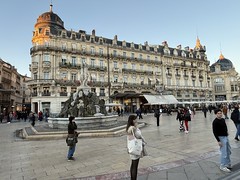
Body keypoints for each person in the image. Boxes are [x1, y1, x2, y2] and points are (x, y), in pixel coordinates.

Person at [126, 115, 147, 180]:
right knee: (135, 166)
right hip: (135, 149)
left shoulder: (129, 127)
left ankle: (132, 178)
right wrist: (144, 142)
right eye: (135, 119)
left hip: (132, 148)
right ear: (132, 120)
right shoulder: (133, 128)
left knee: (133, 165)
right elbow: (138, 136)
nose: (136, 120)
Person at [212, 109, 232, 173]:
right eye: (218, 113)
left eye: (220, 113)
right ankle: (222, 166)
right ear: (216, 114)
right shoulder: (215, 122)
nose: (220, 114)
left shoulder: (223, 119)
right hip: (221, 138)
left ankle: (228, 163)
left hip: (226, 136)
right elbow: (214, 132)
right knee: (224, 152)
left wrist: (227, 131)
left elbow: (225, 126)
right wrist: (218, 141)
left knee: (228, 151)